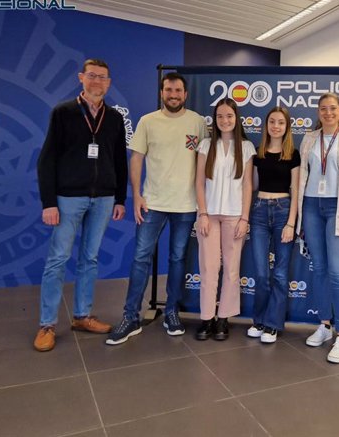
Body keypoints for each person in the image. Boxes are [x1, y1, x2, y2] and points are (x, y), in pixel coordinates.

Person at [106, 73, 207, 345]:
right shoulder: (147, 121)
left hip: (186, 205)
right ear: (162, 93)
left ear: (185, 94)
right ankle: (130, 317)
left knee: (177, 260)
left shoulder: (197, 122)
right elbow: (136, 159)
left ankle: (171, 312)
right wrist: (136, 195)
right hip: (152, 203)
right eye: (168, 90)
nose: (173, 95)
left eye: (178, 91)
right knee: (140, 258)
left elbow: (205, 163)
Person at [34, 58, 127, 352]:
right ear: (81, 78)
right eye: (92, 76)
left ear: (109, 83)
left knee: (90, 259)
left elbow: (118, 161)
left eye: (103, 77)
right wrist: (49, 202)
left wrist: (120, 198)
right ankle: (46, 324)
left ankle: (82, 316)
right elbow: (46, 159)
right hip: (68, 198)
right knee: (58, 260)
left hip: (104, 199)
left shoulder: (113, 118)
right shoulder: (63, 112)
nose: (97, 81)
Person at [297, 93, 339, 363]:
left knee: (338, 270)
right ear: (318, 111)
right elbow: (303, 175)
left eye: (332, 108)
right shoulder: (309, 139)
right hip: (312, 206)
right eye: (323, 109)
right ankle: (325, 326)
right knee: (320, 268)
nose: (328, 113)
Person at [195, 98, 255, 341]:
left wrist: (244, 218)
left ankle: (223, 318)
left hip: (234, 215)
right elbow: (199, 182)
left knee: (231, 269)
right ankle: (207, 317)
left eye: (229, 115)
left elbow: (248, 185)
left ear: (236, 117)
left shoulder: (247, 147)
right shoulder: (206, 145)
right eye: (220, 116)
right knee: (209, 268)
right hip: (209, 215)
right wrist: (203, 213)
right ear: (215, 119)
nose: (225, 120)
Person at [247, 107, 300, 344]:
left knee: (279, 273)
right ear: (266, 125)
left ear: (287, 126)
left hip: (283, 212)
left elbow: (296, 190)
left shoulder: (293, 155)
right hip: (259, 211)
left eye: (280, 122)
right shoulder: (258, 154)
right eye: (272, 121)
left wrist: (291, 223)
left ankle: (273, 324)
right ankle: (259, 320)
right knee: (261, 272)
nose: (276, 126)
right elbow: (252, 185)